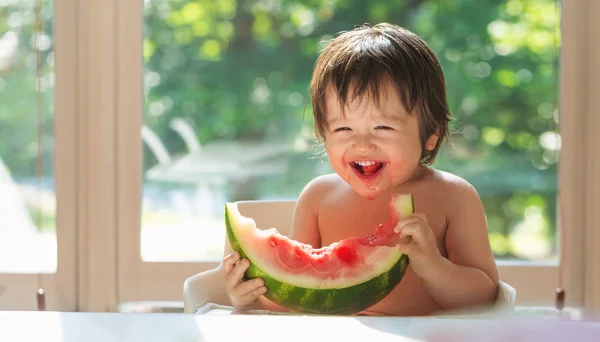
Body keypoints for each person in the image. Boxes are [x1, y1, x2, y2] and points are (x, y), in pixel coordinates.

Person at [218, 22, 499, 316]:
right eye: (343, 128)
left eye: (382, 127)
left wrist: (433, 266)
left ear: (431, 133)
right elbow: (296, 293)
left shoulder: (454, 197)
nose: (362, 144)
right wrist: (249, 296)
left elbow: (485, 296)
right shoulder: (318, 198)